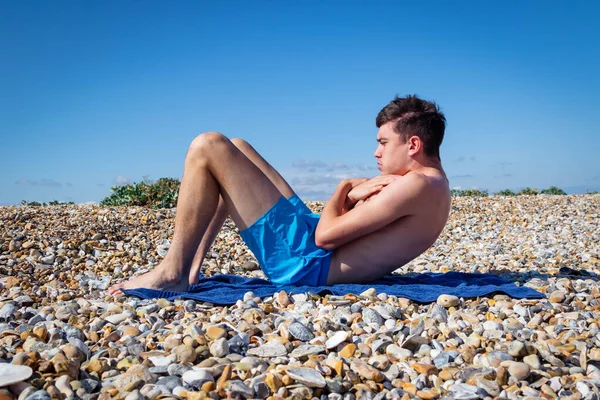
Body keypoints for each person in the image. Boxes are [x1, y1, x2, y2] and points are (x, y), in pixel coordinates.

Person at [108, 94, 451, 295]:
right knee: (237, 149)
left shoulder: (415, 185)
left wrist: (344, 187)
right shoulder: (428, 183)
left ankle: (173, 270)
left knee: (207, 145)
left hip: (304, 265)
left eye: (383, 143)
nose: (376, 153)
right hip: (309, 249)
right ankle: (191, 267)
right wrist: (350, 198)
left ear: (413, 145)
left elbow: (327, 236)